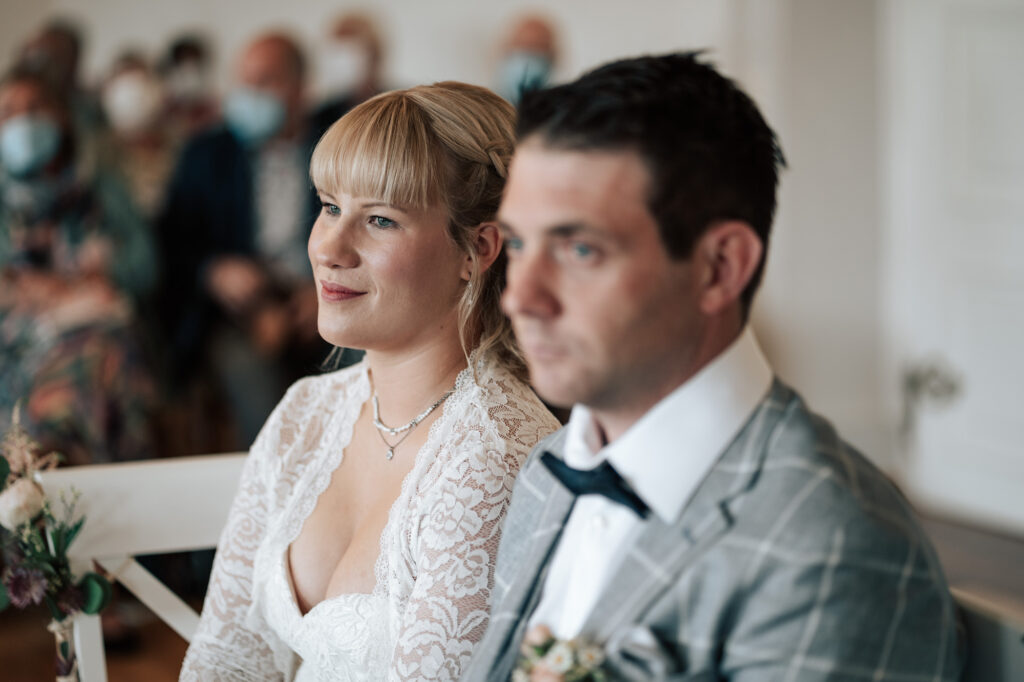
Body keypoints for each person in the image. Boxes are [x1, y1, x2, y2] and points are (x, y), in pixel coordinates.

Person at [464, 53, 964, 681]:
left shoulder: (828, 546)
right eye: (518, 244)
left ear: (719, 268)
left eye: (580, 249)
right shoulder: (549, 469)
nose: (521, 297)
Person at [179, 81, 560, 680]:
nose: (328, 248)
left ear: (477, 249)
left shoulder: (493, 459)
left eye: (380, 220)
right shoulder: (308, 411)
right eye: (330, 207)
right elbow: (227, 655)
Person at [157, 32, 327, 448]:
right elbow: (172, 244)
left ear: (300, 87)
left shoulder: (336, 147)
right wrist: (212, 271)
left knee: (366, 369)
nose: (250, 94)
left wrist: (326, 291)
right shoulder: (206, 154)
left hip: (323, 297)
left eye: (265, 81)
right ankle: (275, 478)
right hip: (237, 313)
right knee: (256, 390)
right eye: (244, 81)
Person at [0, 67, 156, 465]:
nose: (22, 122)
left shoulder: (102, 189)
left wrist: (104, 273)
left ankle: (61, 461)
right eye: (8, 112)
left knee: (101, 352)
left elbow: (146, 267)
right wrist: (31, 288)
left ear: (62, 116)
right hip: (19, 342)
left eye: (35, 108)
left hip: (97, 325)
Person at [308, 12, 386, 139]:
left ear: (373, 55)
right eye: (335, 52)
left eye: (347, 52)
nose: (339, 63)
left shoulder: (401, 106)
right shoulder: (321, 118)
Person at [496, 14, 558, 105]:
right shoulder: (483, 105)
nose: (528, 59)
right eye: (522, 47)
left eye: (537, 48)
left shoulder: (562, 106)